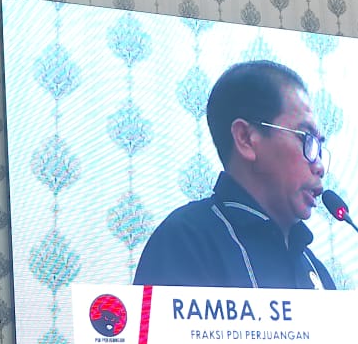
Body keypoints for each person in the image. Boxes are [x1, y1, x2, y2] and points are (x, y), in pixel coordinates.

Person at [134, 60, 336, 289]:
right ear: (246, 139)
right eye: (307, 139)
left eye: (319, 147)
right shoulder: (185, 241)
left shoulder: (315, 269)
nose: (320, 166)